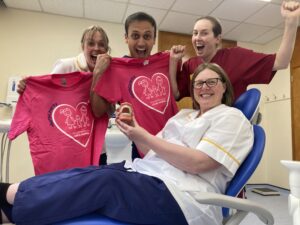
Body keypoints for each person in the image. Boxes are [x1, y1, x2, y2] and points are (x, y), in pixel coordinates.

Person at [0, 63, 254, 225]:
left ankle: (13, 200)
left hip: (184, 199)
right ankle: (11, 201)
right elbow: (152, 153)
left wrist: (141, 134)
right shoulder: (184, 116)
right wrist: (135, 131)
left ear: (224, 87)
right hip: (149, 177)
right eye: (198, 83)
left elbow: (199, 163)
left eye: (211, 82)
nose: (204, 88)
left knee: (106, 183)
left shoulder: (231, 117)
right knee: (97, 171)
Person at [90, 12, 182, 160]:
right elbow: (98, 111)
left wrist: (175, 59)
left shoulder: (167, 61)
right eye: (135, 36)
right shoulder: (117, 70)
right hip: (144, 150)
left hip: (176, 142)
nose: (141, 43)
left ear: (154, 39)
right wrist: (98, 73)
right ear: (126, 38)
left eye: (147, 36)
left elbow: (177, 93)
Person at [17, 25, 111, 165]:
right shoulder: (66, 67)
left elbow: (99, 112)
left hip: (97, 149)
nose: (96, 48)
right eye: (91, 43)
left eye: (101, 44)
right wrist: (28, 87)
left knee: (95, 186)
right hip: (68, 148)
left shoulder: (109, 75)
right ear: (82, 46)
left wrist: (98, 74)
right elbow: (46, 99)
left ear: (106, 49)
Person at [170, 0, 300, 100]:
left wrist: (291, 22)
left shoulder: (237, 57)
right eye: (195, 33)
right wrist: (173, 61)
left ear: (218, 38)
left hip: (231, 128)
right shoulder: (190, 65)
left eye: (204, 33)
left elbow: (280, 62)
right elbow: (176, 94)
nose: (197, 38)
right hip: (204, 129)